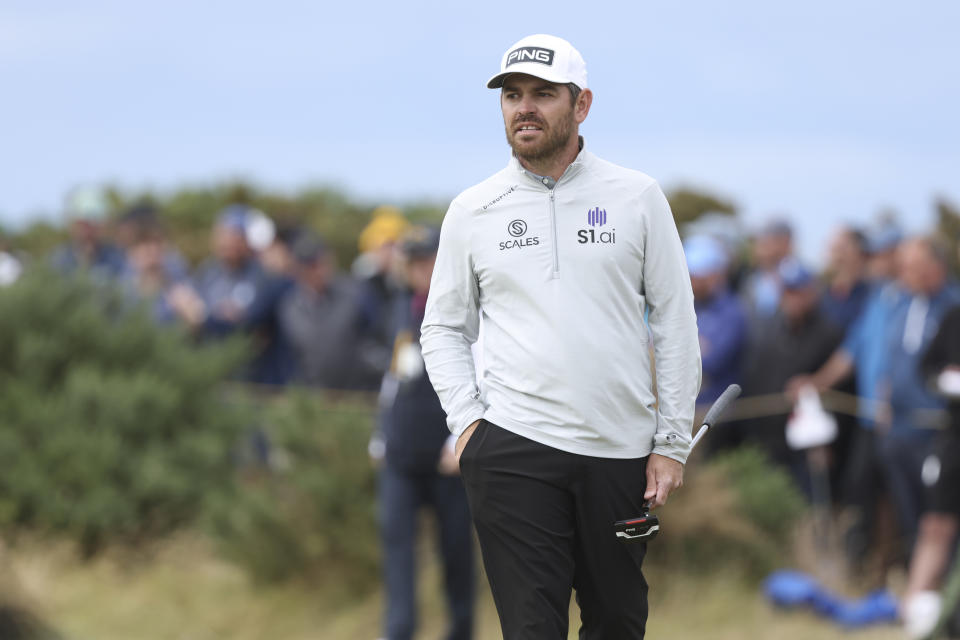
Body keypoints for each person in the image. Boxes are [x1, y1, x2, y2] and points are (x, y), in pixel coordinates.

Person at [420, 34, 701, 638]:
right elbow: (442, 326)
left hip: (618, 452)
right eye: (513, 95)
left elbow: (676, 322)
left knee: (618, 623)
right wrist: (468, 425)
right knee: (531, 629)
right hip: (514, 446)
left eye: (543, 94)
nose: (524, 107)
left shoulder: (638, 197)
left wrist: (672, 442)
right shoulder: (473, 209)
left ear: (582, 104)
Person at [378, 227, 475, 640]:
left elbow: (482, 373)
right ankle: (399, 631)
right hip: (401, 452)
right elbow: (394, 373)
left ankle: (460, 631)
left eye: (428, 259)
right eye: (414, 261)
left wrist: (460, 440)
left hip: (449, 455)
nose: (421, 268)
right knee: (397, 548)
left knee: (455, 553)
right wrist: (379, 434)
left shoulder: (467, 306)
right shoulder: (401, 304)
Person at [877, 236, 960, 556]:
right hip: (898, 428)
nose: (904, 272)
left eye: (912, 266)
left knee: (939, 519)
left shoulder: (953, 306)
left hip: (938, 431)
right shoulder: (901, 302)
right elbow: (892, 359)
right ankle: (915, 591)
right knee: (908, 517)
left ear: (935, 267)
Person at [902, 302, 960, 637]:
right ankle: (915, 615)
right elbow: (928, 367)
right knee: (936, 523)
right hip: (954, 437)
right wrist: (945, 381)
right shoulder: (954, 315)